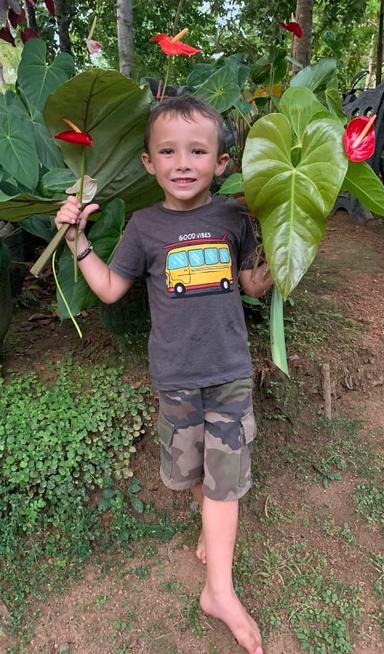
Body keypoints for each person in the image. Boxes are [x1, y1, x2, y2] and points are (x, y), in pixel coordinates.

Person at [55, 96, 272, 654]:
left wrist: (294, 235)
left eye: (197, 151)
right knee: (193, 473)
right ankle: (209, 522)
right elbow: (108, 289)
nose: (182, 162)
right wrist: (77, 241)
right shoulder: (145, 227)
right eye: (167, 151)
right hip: (174, 378)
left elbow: (254, 286)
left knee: (224, 478)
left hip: (228, 373)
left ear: (220, 163)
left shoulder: (234, 216)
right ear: (148, 163)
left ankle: (217, 591)